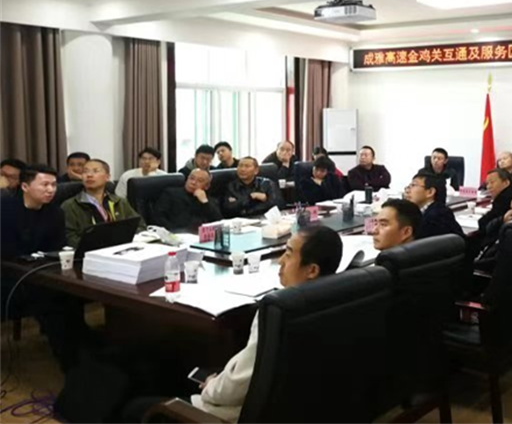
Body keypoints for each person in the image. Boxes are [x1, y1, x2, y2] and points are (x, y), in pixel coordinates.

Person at [121, 226, 344, 424]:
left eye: (288, 253)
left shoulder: (280, 309)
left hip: (235, 414)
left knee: (135, 408)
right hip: (297, 408)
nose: (280, 261)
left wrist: (211, 385)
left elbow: (238, 383)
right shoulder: (337, 299)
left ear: (312, 270)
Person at [0, 164, 91, 372]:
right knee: (51, 300)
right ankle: (71, 362)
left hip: (41, 272)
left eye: (54, 185)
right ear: (25, 186)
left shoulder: (55, 213)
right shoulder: (4, 210)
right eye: (44, 185)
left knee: (70, 294)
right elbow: (6, 252)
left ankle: (85, 348)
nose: (51, 190)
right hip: (9, 276)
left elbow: (57, 247)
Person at [61, 159, 144, 247]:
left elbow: (140, 226)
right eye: (85, 172)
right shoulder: (70, 206)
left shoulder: (119, 202)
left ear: (107, 177)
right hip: (91, 252)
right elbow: (69, 237)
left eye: (95, 171)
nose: (89, 175)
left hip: (122, 249)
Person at [152, 168, 222, 232]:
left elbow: (218, 222)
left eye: (199, 181)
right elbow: (158, 217)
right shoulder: (170, 194)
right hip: (175, 233)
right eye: (191, 178)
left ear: (207, 186)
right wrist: (174, 232)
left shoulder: (209, 201)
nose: (193, 182)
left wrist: (205, 202)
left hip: (199, 236)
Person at [405, 173, 464, 240]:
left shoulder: (436, 216)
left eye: (413, 185)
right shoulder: (427, 211)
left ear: (430, 192)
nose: (407, 190)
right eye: (408, 186)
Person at [478, 168, 512, 235]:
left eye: (492, 182)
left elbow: (483, 224)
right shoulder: (511, 193)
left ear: (506, 183)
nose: (488, 187)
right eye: (487, 183)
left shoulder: (504, 199)